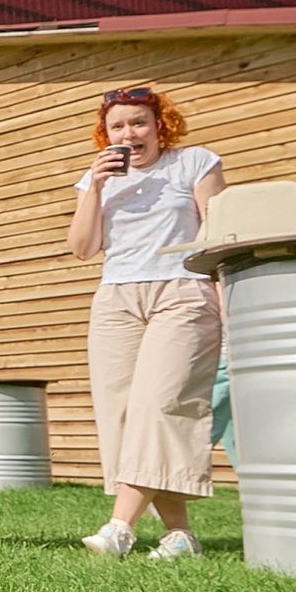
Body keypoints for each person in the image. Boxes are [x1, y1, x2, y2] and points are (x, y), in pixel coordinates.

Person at [66, 86, 226, 559]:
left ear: (160, 124)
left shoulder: (195, 162)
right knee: (122, 416)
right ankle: (181, 536)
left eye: (138, 122)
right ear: (106, 133)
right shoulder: (97, 179)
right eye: (117, 125)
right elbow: (81, 248)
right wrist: (94, 187)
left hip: (181, 291)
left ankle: (119, 526)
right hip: (116, 298)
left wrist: (226, 304)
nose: (128, 133)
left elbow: (217, 234)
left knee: (161, 406)